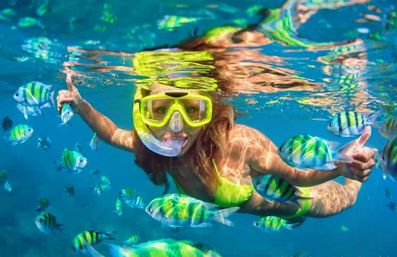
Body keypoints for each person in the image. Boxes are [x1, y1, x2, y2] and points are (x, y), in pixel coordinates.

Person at [57, 0, 376, 223]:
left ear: (209, 113)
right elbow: (111, 133)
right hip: (245, 204)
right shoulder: (149, 144)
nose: (176, 126)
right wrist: (80, 103)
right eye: (160, 110)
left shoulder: (239, 142)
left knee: (345, 200)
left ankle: (356, 177)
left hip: (292, 201)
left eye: (193, 109)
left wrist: (341, 169)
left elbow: (297, 175)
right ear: (143, 111)